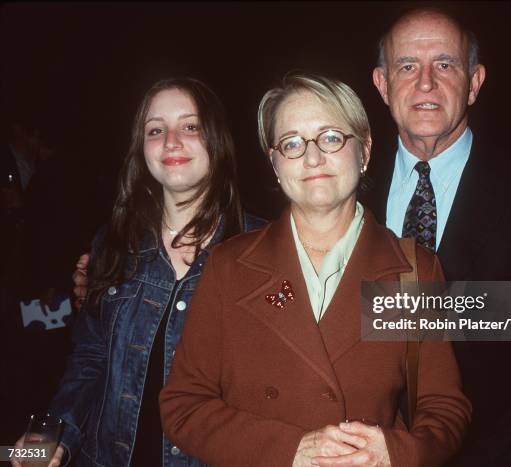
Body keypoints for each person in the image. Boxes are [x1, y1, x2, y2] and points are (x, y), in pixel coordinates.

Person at [159, 72, 471, 467]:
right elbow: (183, 405)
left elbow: (444, 408)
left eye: (330, 137)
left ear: (365, 151)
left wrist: (394, 453)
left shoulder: (413, 270)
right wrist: (287, 451)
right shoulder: (229, 266)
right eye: (291, 143)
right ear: (274, 164)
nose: (312, 158)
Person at [11, 77, 265, 467]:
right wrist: (55, 431)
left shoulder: (264, 250)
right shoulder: (113, 244)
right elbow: (92, 357)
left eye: (190, 125)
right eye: (156, 129)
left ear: (217, 138)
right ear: (140, 148)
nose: (171, 141)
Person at [369, 7, 511, 467]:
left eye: (445, 64)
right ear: (382, 84)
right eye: (407, 66)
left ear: (474, 82)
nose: (425, 83)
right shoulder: (343, 185)